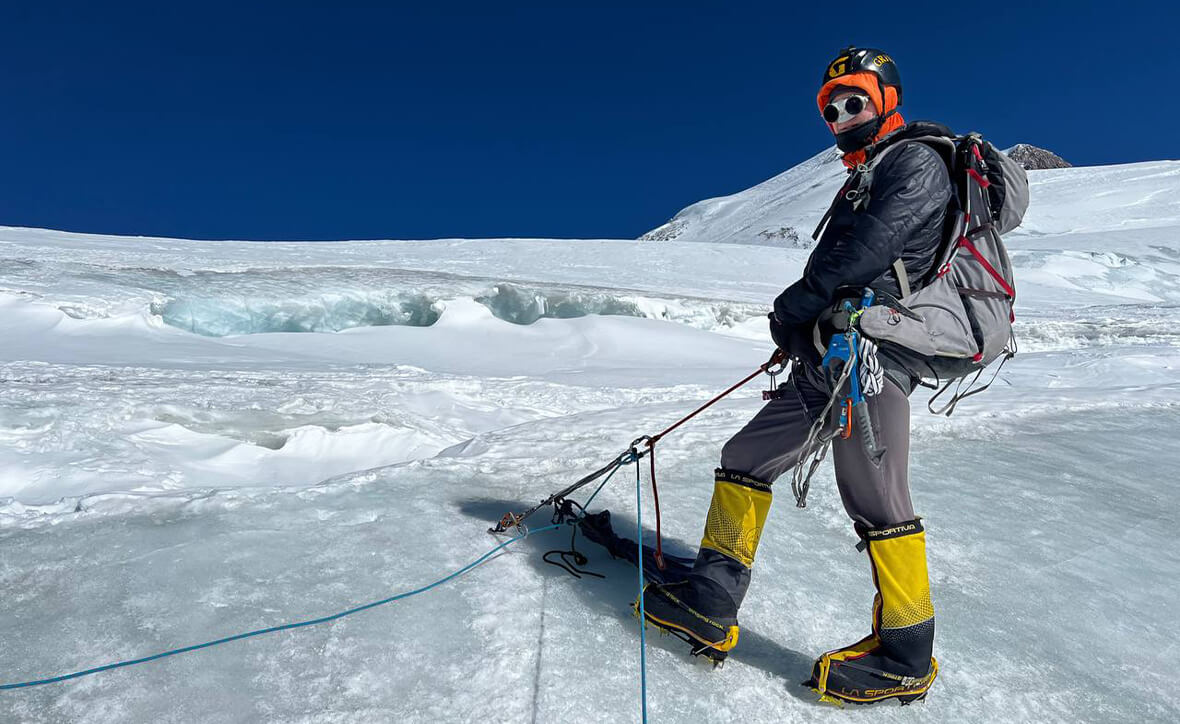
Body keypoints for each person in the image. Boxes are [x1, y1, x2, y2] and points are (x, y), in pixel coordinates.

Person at [640, 46, 955, 705]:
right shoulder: (866, 174)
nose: (841, 114)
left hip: (873, 357)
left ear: (888, 99)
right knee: (745, 456)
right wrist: (803, 328)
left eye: (855, 100)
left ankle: (907, 655)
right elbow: (848, 259)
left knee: (877, 499)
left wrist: (795, 305)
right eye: (831, 107)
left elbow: (869, 248)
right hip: (828, 354)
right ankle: (710, 599)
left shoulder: (919, 163)